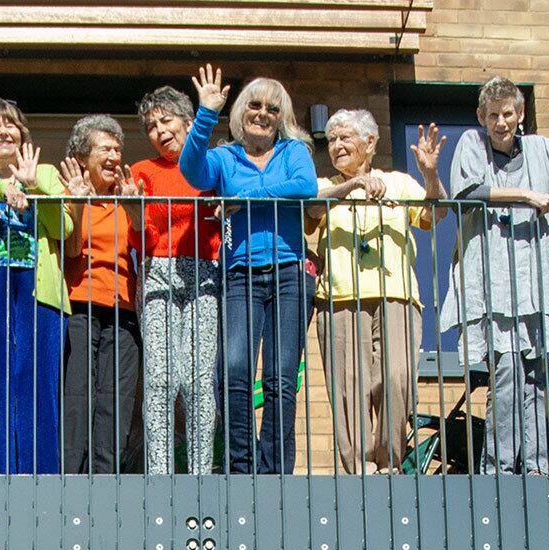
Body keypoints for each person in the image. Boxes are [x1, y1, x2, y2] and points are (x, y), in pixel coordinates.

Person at [429, 49, 549, 475]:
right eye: (492, 115)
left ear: (521, 113)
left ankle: (539, 469)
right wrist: (526, 195)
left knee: (542, 377)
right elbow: (467, 193)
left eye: (507, 114)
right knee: (508, 372)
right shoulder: (471, 145)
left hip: (537, 284)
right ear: (481, 116)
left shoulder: (541, 150)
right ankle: (499, 470)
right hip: (492, 285)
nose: (500, 122)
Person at [180, 66, 319, 475]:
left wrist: (243, 197)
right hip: (240, 274)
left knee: (280, 376)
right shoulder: (225, 157)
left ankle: (275, 470)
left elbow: (305, 186)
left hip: (290, 273)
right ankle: (242, 468)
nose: (263, 114)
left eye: (273, 109)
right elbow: (191, 170)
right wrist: (206, 113)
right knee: (235, 371)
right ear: (241, 111)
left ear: (282, 117)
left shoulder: (294, 151)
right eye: (255, 105)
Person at [306, 109, 446, 474]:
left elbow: (434, 214)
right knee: (349, 387)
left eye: (345, 137)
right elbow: (311, 210)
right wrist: (352, 187)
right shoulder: (324, 184)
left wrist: (431, 174)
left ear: (370, 142)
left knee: (397, 377)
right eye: (331, 140)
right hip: (339, 299)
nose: (336, 145)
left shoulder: (398, 182)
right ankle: (360, 468)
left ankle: (390, 463)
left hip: (396, 295)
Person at [0, 98, 74, 474]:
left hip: (39, 287)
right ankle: (1, 473)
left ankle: (42, 475)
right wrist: (2, 189)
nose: (3, 131)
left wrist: (34, 188)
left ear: (22, 135)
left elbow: (64, 228)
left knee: (38, 383)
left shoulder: (46, 173)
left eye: (11, 125)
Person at [127, 86, 222, 476]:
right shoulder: (142, 172)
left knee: (198, 379)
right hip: (159, 271)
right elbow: (141, 237)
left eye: (165, 121)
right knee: (161, 378)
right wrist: (135, 210)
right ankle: (160, 474)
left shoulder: (212, 166)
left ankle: (201, 474)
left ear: (188, 122)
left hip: (205, 271)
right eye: (151, 126)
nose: (159, 131)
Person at [57, 114, 143, 474]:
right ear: (82, 157)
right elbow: (71, 249)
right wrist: (78, 203)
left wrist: (134, 207)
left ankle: (105, 481)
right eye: (105, 149)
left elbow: (146, 244)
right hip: (79, 304)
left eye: (118, 149)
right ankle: (71, 479)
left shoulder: (127, 195)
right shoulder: (66, 194)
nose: (114, 156)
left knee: (116, 398)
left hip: (124, 308)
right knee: (78, 394)